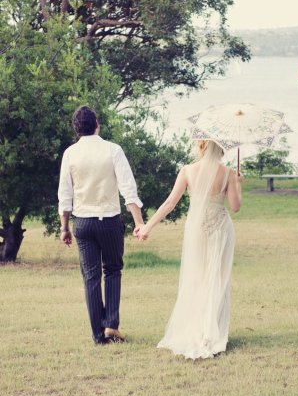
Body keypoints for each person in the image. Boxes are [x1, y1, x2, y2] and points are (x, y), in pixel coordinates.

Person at [136, 139, 243, 359]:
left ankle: (198, 329)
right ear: (221, 147)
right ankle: (211, 331)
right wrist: (238, 183)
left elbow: (169, 203)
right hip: (220, 228)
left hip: (196, 228)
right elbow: (235, 207)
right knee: (216, 279)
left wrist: (147, 226)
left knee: (197, 278)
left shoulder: (187, 170)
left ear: (201, 146)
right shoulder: (228, 173)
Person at [58, 106, 144, 345]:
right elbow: (128, 188)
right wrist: (139, 223)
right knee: (113, 270)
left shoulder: (70, 153)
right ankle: (111, 326)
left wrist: (64, 227)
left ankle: (98, 334)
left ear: (76, 128)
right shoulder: (112, 150)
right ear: (97, 123)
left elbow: (65, 195)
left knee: (91, 277)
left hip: (83, 222)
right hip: (109, 221)